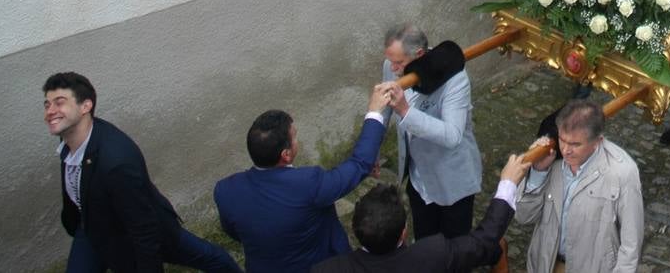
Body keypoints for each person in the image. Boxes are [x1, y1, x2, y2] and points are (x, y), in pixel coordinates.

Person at [43, 72, 243, 273]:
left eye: (59, 102)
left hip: (138, 229)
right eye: (47, 104)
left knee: (211, 258)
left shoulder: (116, 162)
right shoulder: (68, 138)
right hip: (94, 225)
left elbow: (144, 229)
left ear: (85, 106)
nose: (50, 110)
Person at [214, 87, 391, 272]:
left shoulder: (225, 190)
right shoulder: (309, 183)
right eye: (295, 136)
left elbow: (234, 231)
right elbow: (360, 163)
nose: (297, 140)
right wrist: (375, 111)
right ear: (286, 154)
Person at [311, 155, 531, 273]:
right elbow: (484, 240)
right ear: (404, 233)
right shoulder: (433, 255)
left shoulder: (328, 269)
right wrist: (508, 184)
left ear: (355, 229)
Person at [520, 101, 643, 273]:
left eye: (575, 144)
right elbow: (523, 217)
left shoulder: (623, 173)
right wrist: (538, 172)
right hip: (546, 265)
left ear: (597, 141)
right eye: (562, 140)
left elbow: (631, 244)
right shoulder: (550, 159)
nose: (566, 150)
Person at [383, 35, 483, 239]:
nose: (393, 69)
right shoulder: (391, 65)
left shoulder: (456, 79)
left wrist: (406, 112)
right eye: (391, 61)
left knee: (456, 248)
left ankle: (495, 251)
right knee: (424, 241)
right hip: (419, 181)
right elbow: (385, 108)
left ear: (419, 55)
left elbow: (453, 135)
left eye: (399, 63)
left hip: (453, 181)